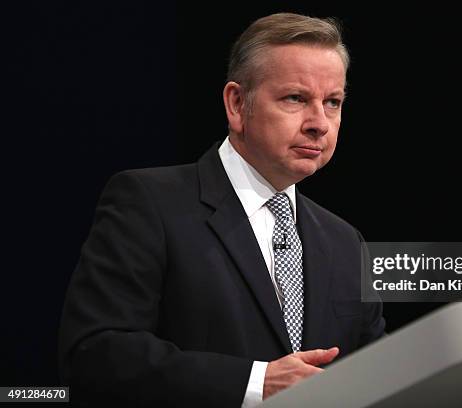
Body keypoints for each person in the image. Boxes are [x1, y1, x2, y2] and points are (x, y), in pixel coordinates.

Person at [59, 12, 385, 407]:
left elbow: (378, 373)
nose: (319, 123)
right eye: (296, 98)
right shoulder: (149, 202)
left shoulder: (345, 242)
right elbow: (95, 354)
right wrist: (256, 382)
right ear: (236, 103)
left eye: (332, 102)